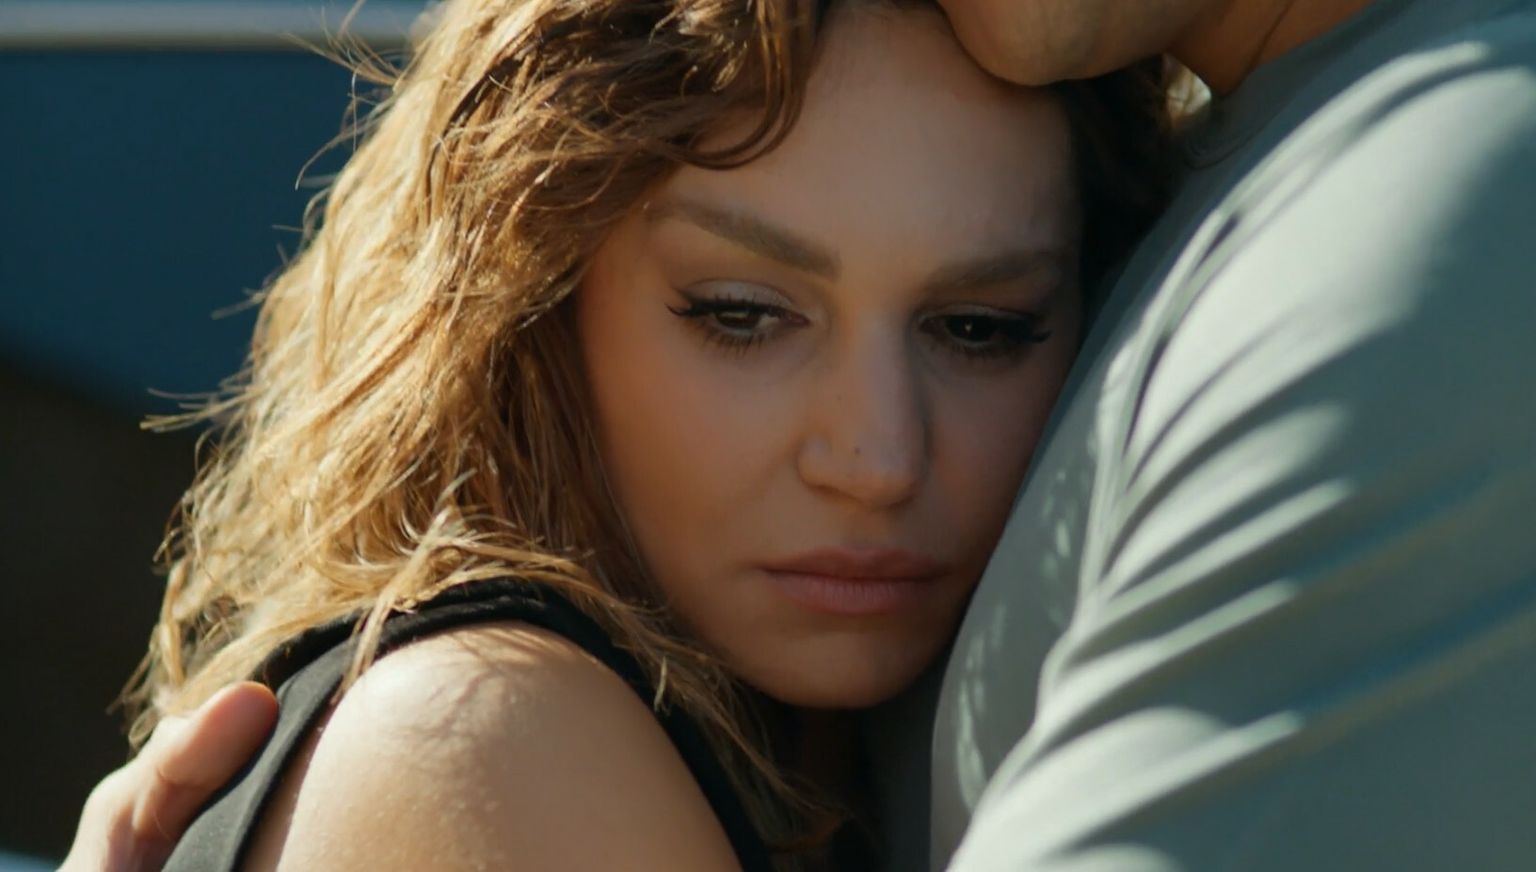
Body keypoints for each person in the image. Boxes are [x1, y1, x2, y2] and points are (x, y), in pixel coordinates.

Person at [66, 0, 1536, 868]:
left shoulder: (780, 768)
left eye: (981, 328)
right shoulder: (494, 735)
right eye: (741, 315)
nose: (877, 457)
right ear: (531, 313)